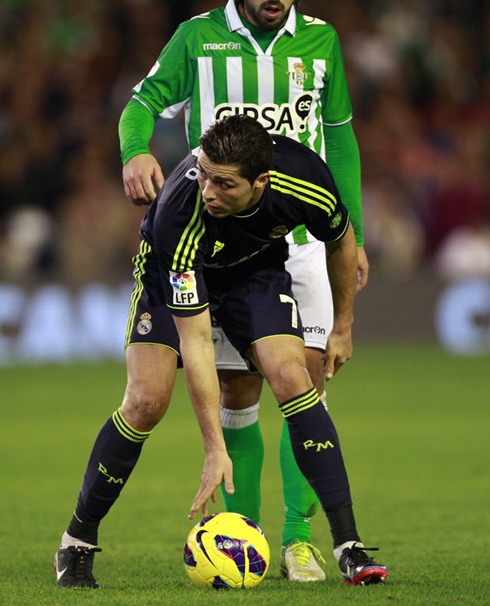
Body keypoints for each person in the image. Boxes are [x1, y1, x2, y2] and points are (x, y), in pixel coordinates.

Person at [119, 0, 370, 582]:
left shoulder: (322, 43)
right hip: (230, 237)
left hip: (305, 236)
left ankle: (298, 538)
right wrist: (136, 149)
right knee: (237, 386)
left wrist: (355, 233)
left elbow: (340, 144)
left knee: (306, 382)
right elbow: (140, 104)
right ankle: (243, 531)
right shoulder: (197, 37)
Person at [55, 115, 387, 589]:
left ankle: (349, 546)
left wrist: (343, 325)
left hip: (254, 274)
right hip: (173, 273)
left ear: (262, 182)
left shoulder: (306, 179)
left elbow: (340, 241)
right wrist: (213, 449)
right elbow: (196, 342)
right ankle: (77, 542)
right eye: (203, 173)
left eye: (223, 182)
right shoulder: (180, 211)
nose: (207, 189)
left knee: (295, 379)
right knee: (146, 402)